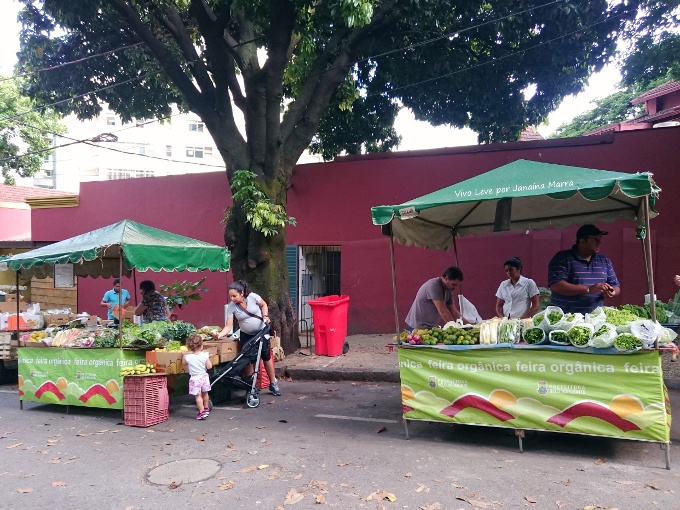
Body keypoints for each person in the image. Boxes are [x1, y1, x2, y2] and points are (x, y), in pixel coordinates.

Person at [218, 280, 281, 397]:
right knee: (247, 360)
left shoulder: (253, 297)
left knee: (266, 357)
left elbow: (264, 305)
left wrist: (265, 316)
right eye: (230, 296)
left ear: (242, 293)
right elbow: (228, 325)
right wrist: (220, 334)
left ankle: (273, 383)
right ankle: (251, 386)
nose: (232, 299)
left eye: (234, 296)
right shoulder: (231, 307)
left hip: (261, 332)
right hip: (246, 334)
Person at [548, 224, 620, 314]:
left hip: (595, 318)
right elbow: (556, 286)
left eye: (600, 239)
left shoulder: (604, 260)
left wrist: (612, 291)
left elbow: (616, 286)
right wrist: (588, 289)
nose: (599, 243)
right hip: (565, 319)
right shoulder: (562, 258)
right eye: (595, 239)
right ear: (582, 241)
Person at [182, 333, 213, 420]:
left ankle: (201, 411)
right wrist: (209, 358)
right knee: (205, 393)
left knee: (198, 396)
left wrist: (183, 355)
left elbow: (184, 363)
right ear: (201, 346)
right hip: (204, 376)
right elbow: (209, 366)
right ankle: (206, 408)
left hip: (195, 378)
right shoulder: (205, 355)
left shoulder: (188, 357)